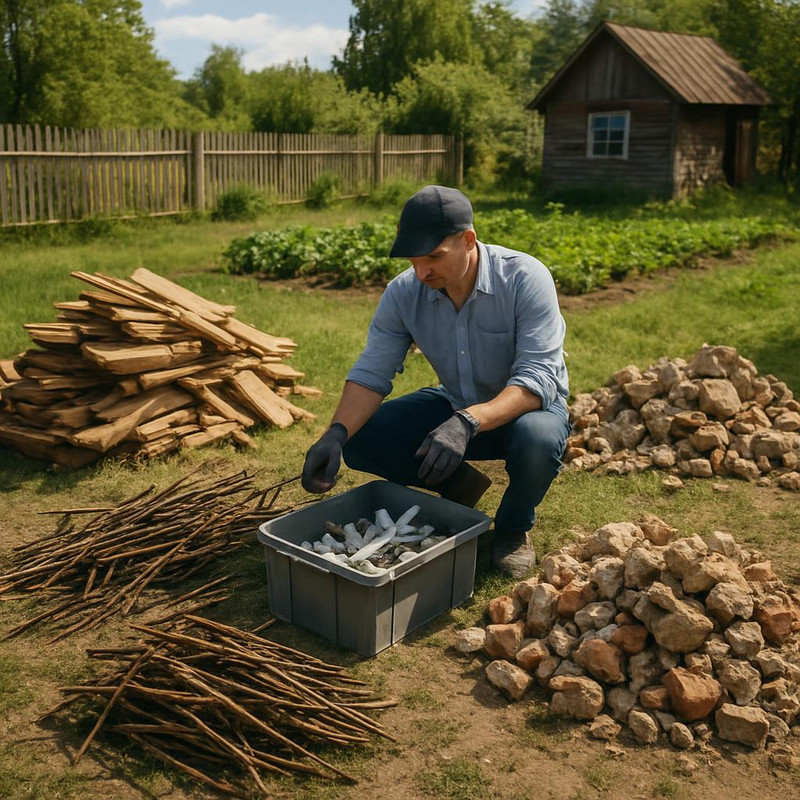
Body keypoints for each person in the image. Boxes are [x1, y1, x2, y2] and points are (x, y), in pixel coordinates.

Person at [301, 185, 570, 578]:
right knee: (361, 436)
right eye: (413, 259)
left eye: (433, 257)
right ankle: (461, 488)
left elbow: (537, 378)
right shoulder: (404, 293)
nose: (422, 271)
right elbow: (373, 371)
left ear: (468, 240)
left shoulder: (524, 278)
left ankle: (513, 528)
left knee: (538, 440)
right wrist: (335, 434)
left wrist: (468, 422)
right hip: (456, 405)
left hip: (527, 408)